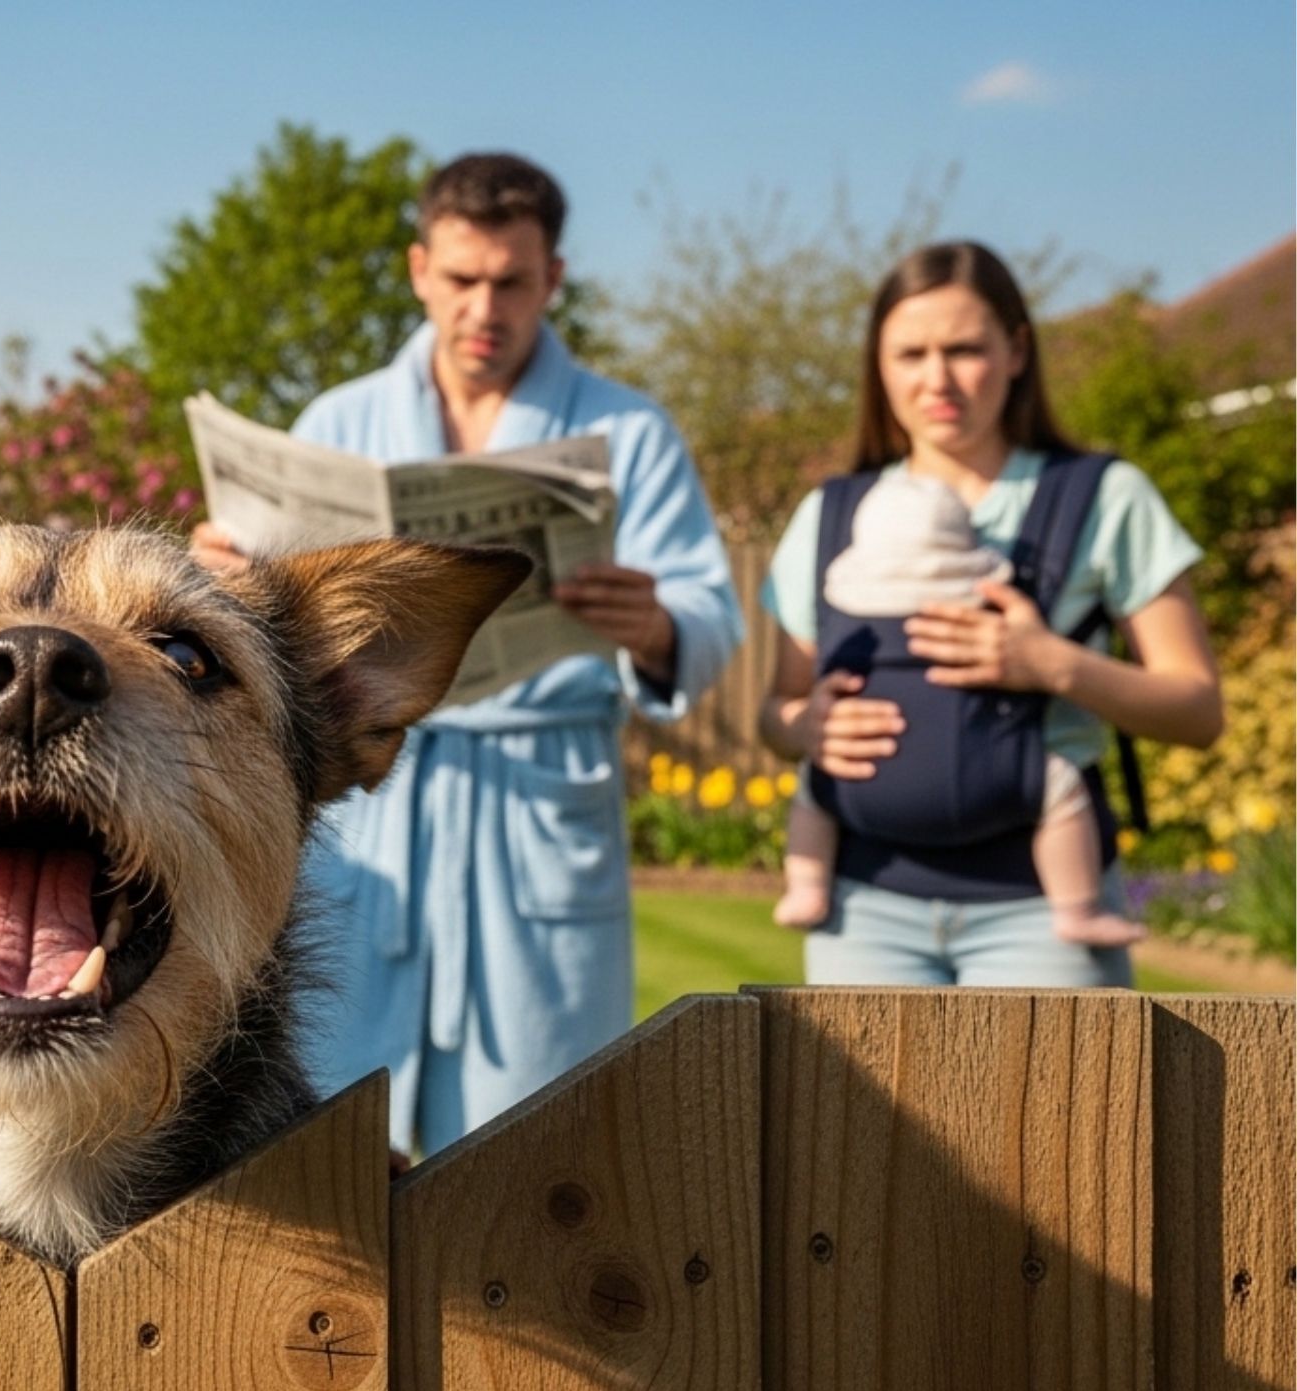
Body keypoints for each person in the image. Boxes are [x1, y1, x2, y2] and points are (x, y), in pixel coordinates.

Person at [191, 152, 743, 1153]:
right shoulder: (341, 422)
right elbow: (276, 627)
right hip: (377, 804)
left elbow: (709, 619)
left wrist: (652, 623)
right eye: (460, 280)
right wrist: (221, 578)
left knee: (537, 1143)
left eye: (511, 282)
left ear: (552, 280)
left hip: (536, 801)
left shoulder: (628, 431)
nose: (483, 307)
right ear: (418, 270)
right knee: (331, 1138)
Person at [756, 240, 1221, 985]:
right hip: (861, 909)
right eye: (910, 354)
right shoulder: (830, 514)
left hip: (1047, 913)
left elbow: (1198, 710)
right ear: (879, 363)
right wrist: (801, 724)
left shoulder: (1104, 496)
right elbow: (776, 715)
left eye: (965, 349)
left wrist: (1052, 664)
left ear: (1016, 351)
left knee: (1065, 1108)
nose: (937, 379)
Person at [772, 471, 1144, 946]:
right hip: (998, 775)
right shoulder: (983, 605)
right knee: (1063, 790)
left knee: (811, 791)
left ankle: (806, 887)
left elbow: (788, 695)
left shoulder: (851, 616)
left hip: (858, 787)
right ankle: (1077, 908)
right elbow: (780, 713)